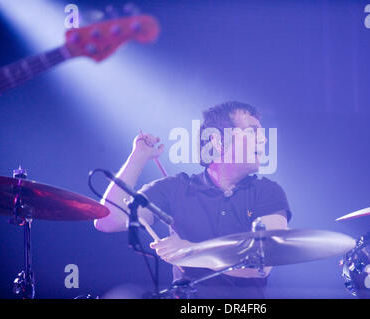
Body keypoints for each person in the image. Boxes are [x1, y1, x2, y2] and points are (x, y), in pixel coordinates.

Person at [94, 101, 291, 298]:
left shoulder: (268, 192)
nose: (264, 139)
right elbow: (108, 221)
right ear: (218, 141)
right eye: (252, 131)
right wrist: (138, 156)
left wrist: (191, 251)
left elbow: (261, 266)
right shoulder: (176, 188)